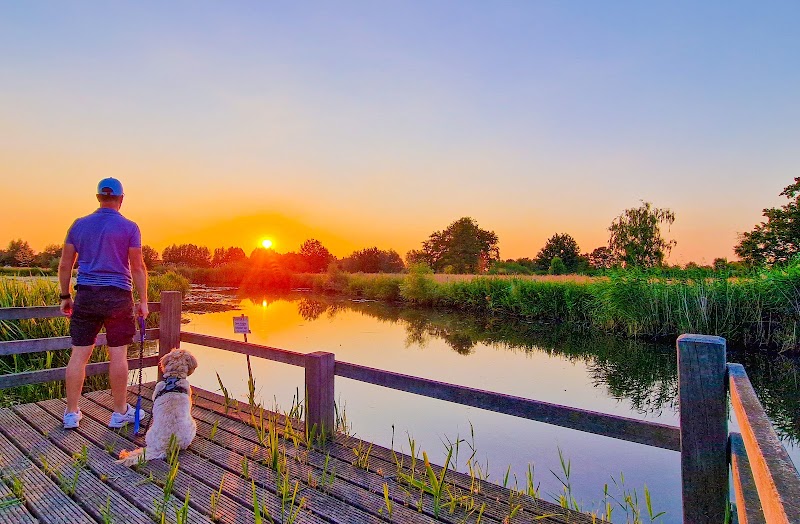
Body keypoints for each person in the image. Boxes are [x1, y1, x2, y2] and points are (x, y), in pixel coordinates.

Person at [59, 177, 149, 429]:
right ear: (121, 199)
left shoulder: (78, 225)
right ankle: (120, 412)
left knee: (79, 354)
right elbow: (138, 267)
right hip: (118, 295)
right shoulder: (130, 227)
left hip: (86, 293)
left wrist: (65, 296)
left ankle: (71, 413)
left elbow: (66, 264)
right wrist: (143, 301)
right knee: (118, 354)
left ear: (98, 197)